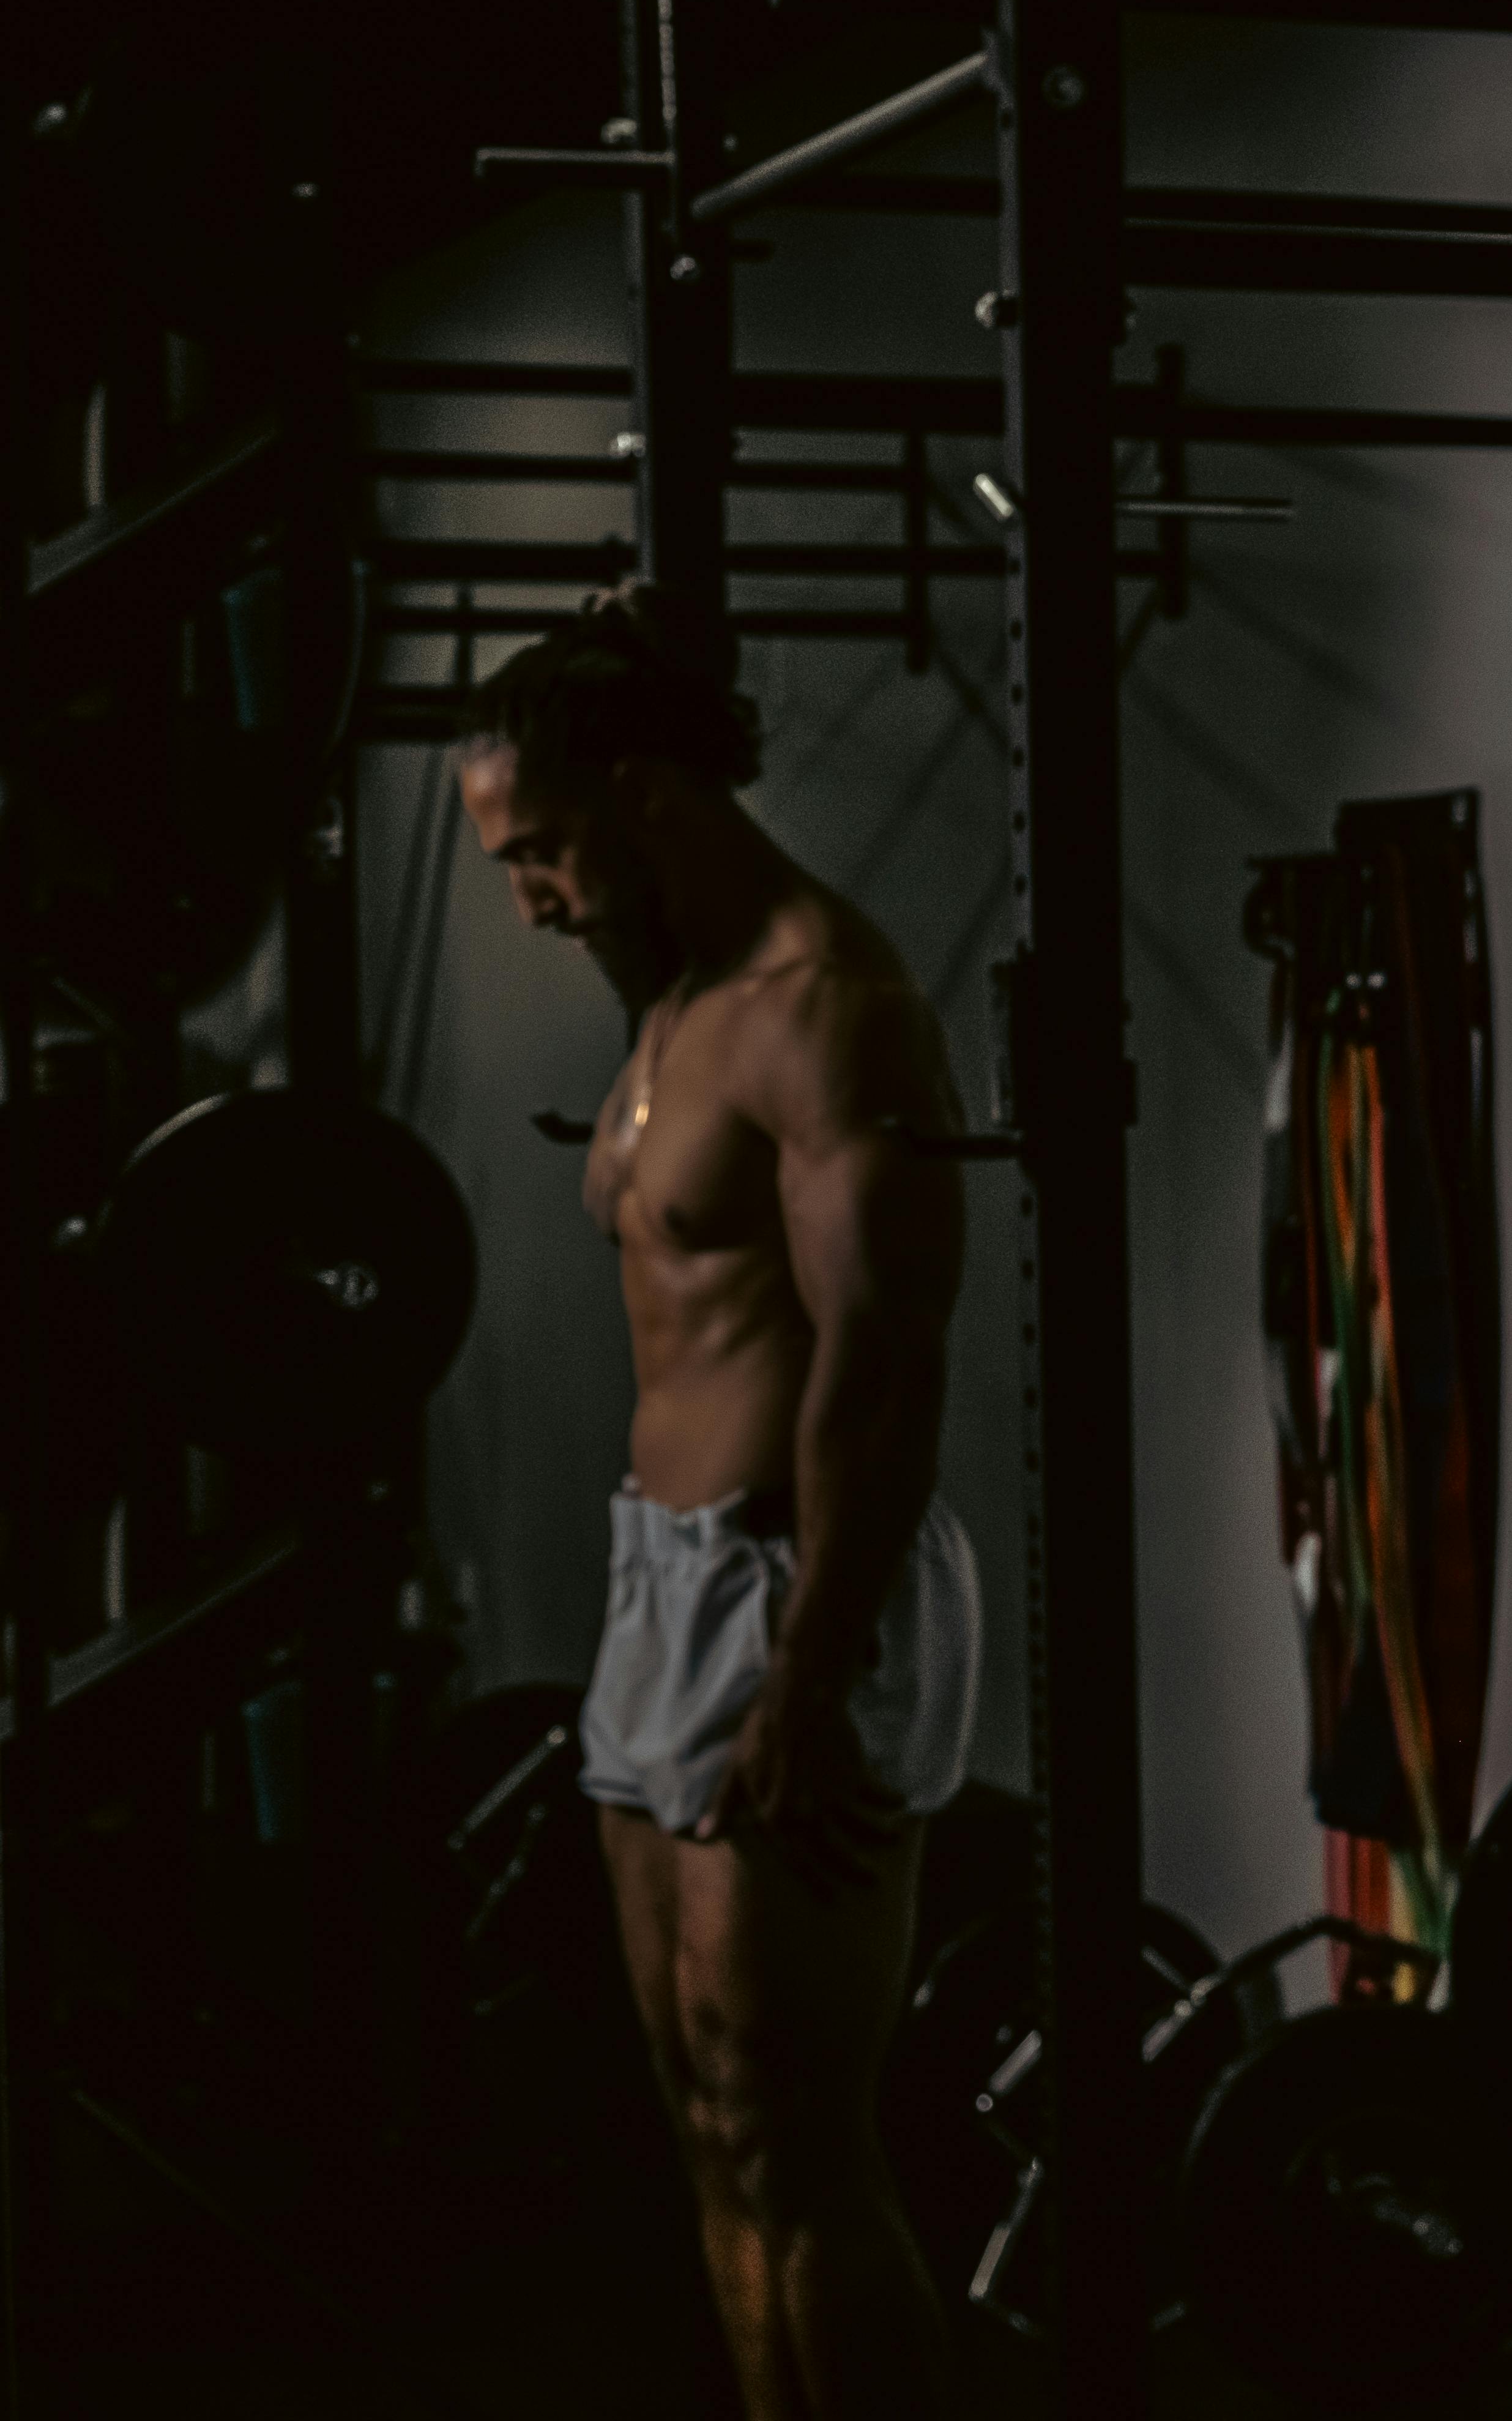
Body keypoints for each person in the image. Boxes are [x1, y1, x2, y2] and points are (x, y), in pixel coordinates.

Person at [457, 587, 978, 2419]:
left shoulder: (825, 1006)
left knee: (799, 2149)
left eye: (544, 852)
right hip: (657, 1585)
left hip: (791, 1593)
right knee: (706, 2131)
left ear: (651, 792)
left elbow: (885, 1362)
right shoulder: (664, 1003)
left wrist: (814, 1672)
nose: (526, 897)